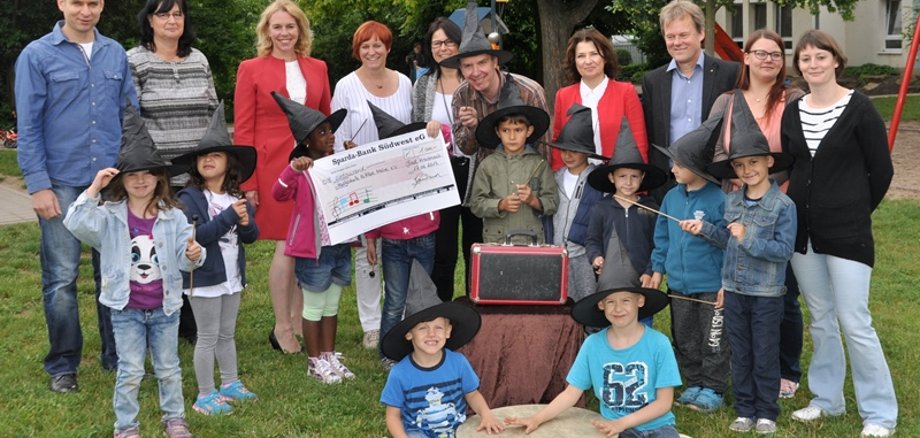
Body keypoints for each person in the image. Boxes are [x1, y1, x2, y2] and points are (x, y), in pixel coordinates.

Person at [15, 0, 137, 391]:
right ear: (61, 3)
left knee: (115, 272)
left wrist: (132, 171)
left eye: (93, 3)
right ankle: (63, 364)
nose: (85, 10)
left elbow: (129, 115)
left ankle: (117, 357)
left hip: (111, 181)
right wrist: (38, 184)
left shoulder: (114, 53)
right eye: (77, 2)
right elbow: (29, 126)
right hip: (62, 182)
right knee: (61, 277)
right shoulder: (37, 55)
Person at [781, 30, 897, 438]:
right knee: (821, 318)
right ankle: (827, 399)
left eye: (820, 56)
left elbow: (881, 170)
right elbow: (794, 164)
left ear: (836, 60)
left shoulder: (860, 109)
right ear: (800, 66)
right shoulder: (794, 111)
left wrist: (853, 210)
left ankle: (879, 413)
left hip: (848, 233)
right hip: (803, 233)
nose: (813, 64)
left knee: (854, 320)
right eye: (805, 58)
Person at [63, 108, 202, 438]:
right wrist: (94, 188)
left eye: (148, 173)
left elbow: (187, 260)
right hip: (125, 310)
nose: (140, 180)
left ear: (159, 177)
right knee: (130, 370)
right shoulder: (109, 217)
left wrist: (194, 254)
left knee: (168, 368)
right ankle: (126, 426)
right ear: (120, 180)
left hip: (166, 308)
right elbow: (74, 222)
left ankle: (175, 419)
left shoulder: (174, 217)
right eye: (132, 174)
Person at [682, 116, 797, 434]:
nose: (747, 170)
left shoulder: (783, 206)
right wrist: (705, 229)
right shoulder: (732, 201)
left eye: (754, 162)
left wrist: (748, 238)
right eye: (740, 165)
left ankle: (766, 412)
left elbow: (784, 251)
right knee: (741, 351)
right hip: (734, 290)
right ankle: (745, 409)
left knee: (764, 351)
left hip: (765, 294)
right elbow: (729, 240)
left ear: (769, 162)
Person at [708, 29, 806, 400]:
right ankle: (745, 366)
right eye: (761, 53)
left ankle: (786, 369)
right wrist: (741, 181)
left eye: (776, 54)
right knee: (741, 288)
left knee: (783, 291)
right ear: (746, 57)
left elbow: (799, 154)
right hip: (737, 203)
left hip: (779, 203)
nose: (768, 60)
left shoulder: (792, 99)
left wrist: (763, 182)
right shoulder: (727, 101)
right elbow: (716, 149)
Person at [234, 0, 332, 354]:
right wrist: (247, 182)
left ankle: (299, 319)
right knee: (286, 245)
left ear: (300, 30)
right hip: (272, 167)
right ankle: (282, 326)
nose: (284, 33)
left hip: (312, 168)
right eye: (277, 26)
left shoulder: (318, 67)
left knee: (306, 243)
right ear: (267, 31)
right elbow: (243, 128)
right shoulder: (251, 69)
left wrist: (330, 164)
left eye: (290, 26)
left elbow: (326, 120)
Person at [128, 0, 219, 345]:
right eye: (163, 14)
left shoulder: (200, 60)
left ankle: (192, 323)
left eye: (177, 13)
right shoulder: (135, 61)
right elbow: (130, 118)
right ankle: (160, 318)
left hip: (198, 175)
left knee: (193, 243)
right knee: (159, 247)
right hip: (157, 175)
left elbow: (213, 112)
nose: (171, 20)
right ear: (149, 20)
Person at [173, 104, 259, 415]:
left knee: (227, 333)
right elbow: (197, 236)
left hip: (232, 277)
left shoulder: (236, 197)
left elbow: (250, 237)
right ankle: (205, 394)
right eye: (203, 156)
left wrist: (246, 222)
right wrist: (228, 217)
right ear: (196, 165)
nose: (208, 160)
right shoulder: (189, 199)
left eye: (216, 155)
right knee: (207, 336)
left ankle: (230, 382)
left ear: (229, 163)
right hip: (204, 279)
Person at [330, 20, 411, 349]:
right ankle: (372, 324)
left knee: (399, 248)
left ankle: (398, 314)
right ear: (357, 50)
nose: (372, 51)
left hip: (399, 178)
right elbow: (337, 138)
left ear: (388, 48)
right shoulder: (346, 86)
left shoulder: (405, 83)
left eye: (378, 44)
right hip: (362, 179)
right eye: (365, 45)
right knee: (368, 252)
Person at [504, 285, 678, 437]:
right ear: (601, 305)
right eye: (610, 302)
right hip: (614, 428)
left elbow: (663, 403)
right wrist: (536, 419)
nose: (618, 308)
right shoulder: (592, 345)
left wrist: (622, 423)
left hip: (658, 427)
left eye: (626, 300)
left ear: (640, 301)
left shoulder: (659, 343)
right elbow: (571, 393)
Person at [271, 92, 357, 383]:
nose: (330, 136)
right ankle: (314, 360)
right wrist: (292, 169)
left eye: (330, 131)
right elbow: (278, 193)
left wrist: (354, 158)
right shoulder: (301, 170)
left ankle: (329, 355)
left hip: (340, 245)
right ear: (307, 141)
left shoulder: (338, 163)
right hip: (315, 249)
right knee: (314, 306)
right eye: (322, 133)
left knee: (332, 305)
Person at [647, 117, 728, 412]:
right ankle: (693, 382)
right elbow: (662, 238)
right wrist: (658, 269)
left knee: (713, 338)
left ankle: (714, 387)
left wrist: (706, 230)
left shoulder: (719, 200)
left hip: (711, 287)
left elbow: (730, 242)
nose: (673, 169)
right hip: (679, 286)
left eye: (679, 164)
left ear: (696, 168)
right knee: (685, 336)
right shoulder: (671, 197)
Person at [443, 1, 553, 199]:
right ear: (460, 69)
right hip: (490, 190)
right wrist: (472, 128)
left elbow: (544, 150)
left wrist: (536, 196)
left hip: (527, 187)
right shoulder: (462, 96)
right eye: (468, 66)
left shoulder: (529, 92)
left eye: (482, 63)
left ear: (495, 62)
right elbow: (467, 149)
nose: (476, 72)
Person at [380, 262, 503, 437]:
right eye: (423, 328)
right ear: (409, 334)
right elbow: (393, 416)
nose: (431, 334)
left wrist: (486, 414)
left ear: (448, 331)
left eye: (438, 327)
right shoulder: (400, 373)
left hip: (457, 430)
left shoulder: (458, 363)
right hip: (418, 433)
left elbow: (472, 395)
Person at [412, 17, 482, 302]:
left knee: (475, 246)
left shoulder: (475, 80)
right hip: (439, 174)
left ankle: (476, 309)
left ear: (459, 44)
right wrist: (425, 131)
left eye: (448, 42)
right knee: (443, 251)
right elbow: (415, 130)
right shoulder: (423, 85)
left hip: (476, 172)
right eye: (436, 43)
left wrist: (477, 121)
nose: (442, 48)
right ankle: (441, 312)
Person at [365, 103, 440, 368]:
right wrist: (371, 239)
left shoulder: (424, 160)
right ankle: (388, 353)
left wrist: (435, 130)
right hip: (393, 242)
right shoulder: (380, 173)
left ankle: (418, 347)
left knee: (419, 296)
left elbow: (444, 144)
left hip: (424, 238)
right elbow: (372, 206)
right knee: (395, 299)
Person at [641, 0, 740, 201]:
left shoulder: (730, 73)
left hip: (715, 183)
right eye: (670, 36)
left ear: (701, 33)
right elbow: (651, 134)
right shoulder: (653, 81)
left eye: (684, 35)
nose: (677, 42)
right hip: (667, 186)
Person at [584, 117, 667, 314]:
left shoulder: (651, 209)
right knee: (615, 317)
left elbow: (658, 244)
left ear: (642, 177)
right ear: (611, 177)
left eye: (634, 176)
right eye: (622, 176)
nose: (628, 182)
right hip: (611, 280)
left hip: (641, 281)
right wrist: (596, 257)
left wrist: (650, 271)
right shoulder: (600, 209)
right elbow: (592, 240)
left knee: (641, 318)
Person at [551, 27, 649, 171]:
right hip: (575, 178)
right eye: (581, 56)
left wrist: (637, 178)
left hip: (616, 178)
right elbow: (558, 143)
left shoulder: (626, 93)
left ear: (605, 57)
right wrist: (558, 176)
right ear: (574, 61)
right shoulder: (563, 96)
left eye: (594, 54)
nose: (588, 61)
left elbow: (639, 141)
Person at [544, 104, 608, 302]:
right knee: (559, 302)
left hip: (584, 254)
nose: (568, 155)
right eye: (564, 150)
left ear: (587, 151)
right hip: (555, 253)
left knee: (587, 301)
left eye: (574, 150)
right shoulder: (553, 178)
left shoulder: (598, 182)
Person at [469, 104, 557, 244]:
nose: (512, 136)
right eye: (505, 130)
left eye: (518, 130)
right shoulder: (488, 165)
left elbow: (553, 201)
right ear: (498, 132)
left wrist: (533, 200)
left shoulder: (540, 164)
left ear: (529, 131)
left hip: (531, 240)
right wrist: (500, 205)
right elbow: (476, 203)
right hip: (497, 240)